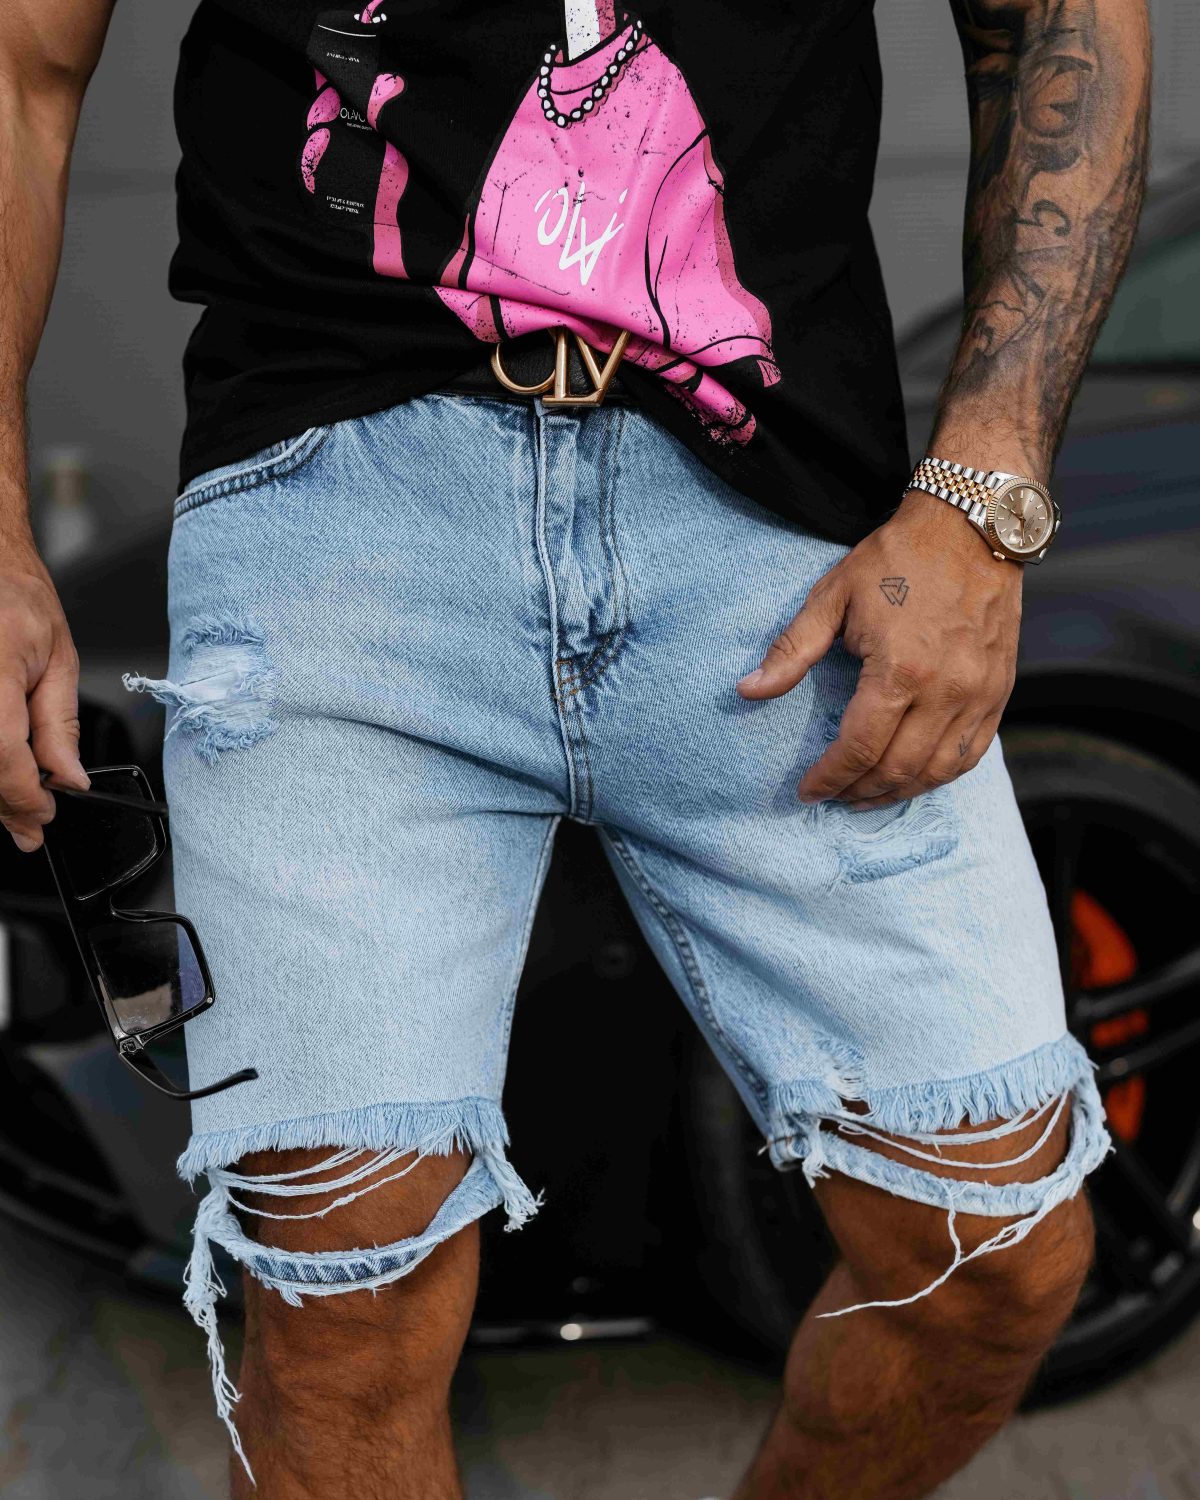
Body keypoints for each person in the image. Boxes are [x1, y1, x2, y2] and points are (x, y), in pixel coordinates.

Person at [0, 0, 1150, 1495]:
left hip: (778, 530)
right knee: (338, 1313)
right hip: (341, 517)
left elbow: (1059, 22)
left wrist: (986, 489)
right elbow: (24, 63)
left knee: (997, 1257)